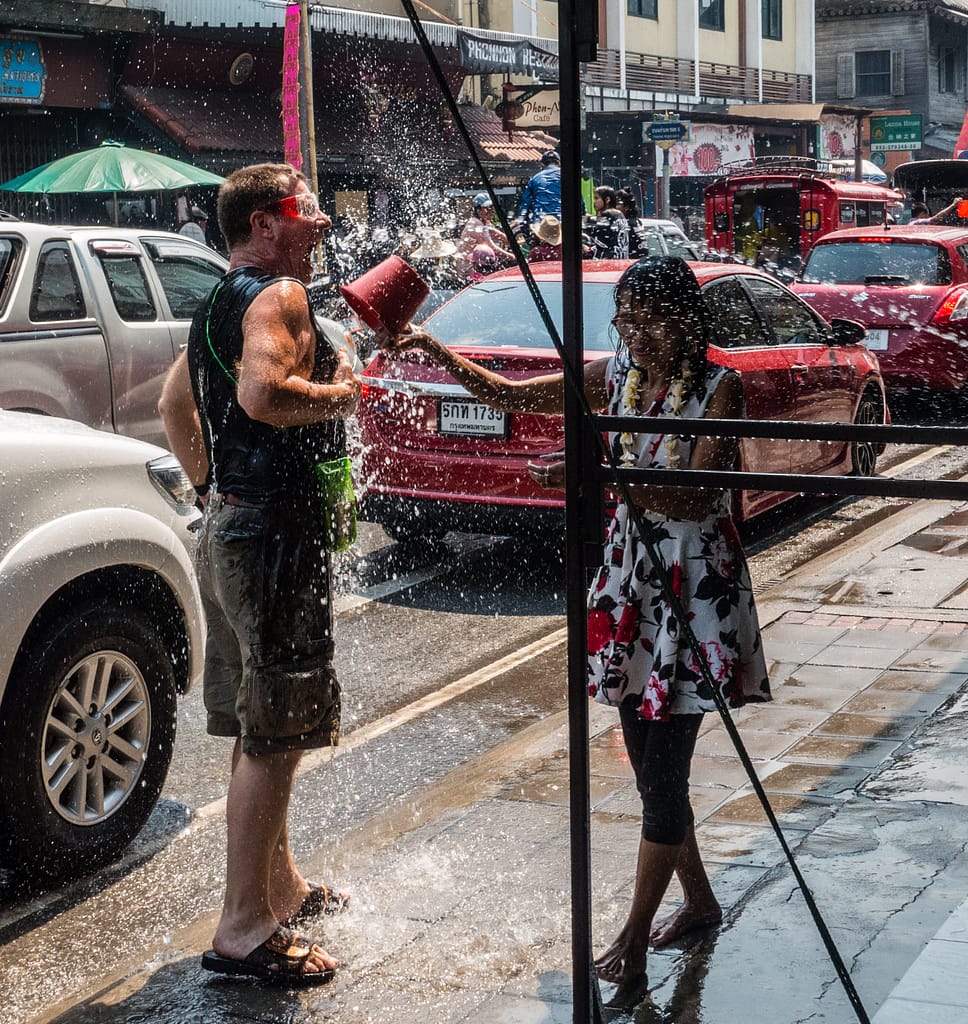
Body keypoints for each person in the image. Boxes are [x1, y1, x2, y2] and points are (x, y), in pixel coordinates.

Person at [378, 255, 771, 991]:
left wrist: (596, 475)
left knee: (662, 778)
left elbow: (693, 500)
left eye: (651, 320)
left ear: (688, 320)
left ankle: (631, 936)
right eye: (626, 321)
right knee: (651, 767)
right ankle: (702, 902)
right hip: (631, 590)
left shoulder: (723, 387)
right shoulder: (611, 375)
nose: (637, 335)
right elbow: (513, 397)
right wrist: (433, 350)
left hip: (692, 597)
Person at [158, 162, 362, 987]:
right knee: (278, 724)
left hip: (231, 526)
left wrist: (213, 489)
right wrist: (344, 393)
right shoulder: (279, 297)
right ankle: (243, 927)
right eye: (310, 212)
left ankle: (278, 887)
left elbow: (178, 405)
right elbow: (264, 397)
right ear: (268, 221)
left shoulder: (217, 298)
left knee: (260, 719)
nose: (322, 226)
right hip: (273, 532)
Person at [456, 192, 514, 276]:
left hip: (479, 264)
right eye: (487, 208)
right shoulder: (476, 223)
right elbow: (492, 248)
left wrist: (513, 244)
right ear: (478, 210)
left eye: (491, 207)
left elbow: (500, 236)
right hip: (468, 269)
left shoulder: (484, 222)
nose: (491, 210)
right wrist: (513, 257)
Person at [517, 149, 562, 223]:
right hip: (562, 221)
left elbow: (526, 202)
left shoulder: (535, 178)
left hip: (540, 221)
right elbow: (578, 198)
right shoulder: (568, 177)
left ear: (542, 164)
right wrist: (583, 213)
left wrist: (521, 218)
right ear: (559, 163)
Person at [589, 186, 630, 260]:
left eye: (597, 198)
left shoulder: (607, 214)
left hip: (607, 261)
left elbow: (600, 244)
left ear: (607, 199)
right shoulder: (619, 214)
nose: (594, 202)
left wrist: (588, 250)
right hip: (621, 259)